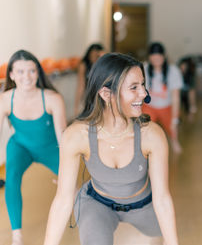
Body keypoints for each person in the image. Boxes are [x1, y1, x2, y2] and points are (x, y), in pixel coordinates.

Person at [44, 53, 179, 245]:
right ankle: (79, 195)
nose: (144, 94)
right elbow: (61, 202)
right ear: (106, 94)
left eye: (142, 84)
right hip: (97, 204)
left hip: (143, 206)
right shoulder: (76, 135)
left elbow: (163, 199)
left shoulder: (151, 135)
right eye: (134, 87)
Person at [0, 50, 67, 245]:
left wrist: (68, 171)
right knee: (11, 177)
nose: (26, 77)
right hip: (21, 147)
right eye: (20, 72)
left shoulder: (53, 97)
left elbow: (62, 137)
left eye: (31, 71)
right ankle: (17, 236)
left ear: (38, 72)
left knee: (74, 185)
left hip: (50, 148)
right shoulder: (5, 99)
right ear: (11, 75)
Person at [142, 42, 183, 154]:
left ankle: (174, 141)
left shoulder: (173, 70)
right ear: (149, 57)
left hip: (167, 106)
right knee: (144, 129)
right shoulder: (144, 69)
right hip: (149, 106)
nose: (156, 59)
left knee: (172, 129)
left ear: (164, 56)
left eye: (159, 56)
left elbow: (176, 98)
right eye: (153, 56)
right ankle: (145, 147)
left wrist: (175, 120)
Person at [74, 43, 105, 116]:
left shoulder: (102, 65)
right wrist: (76, 105)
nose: (94, 58)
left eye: (96, 55)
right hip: (88, 95)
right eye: (92, 55)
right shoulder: (84, 65)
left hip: (101, 94)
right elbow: (81, 85)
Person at [178, 56, 197, 121]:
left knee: (189, 102)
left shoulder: (190, 77)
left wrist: (192, 107)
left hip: (186, 96)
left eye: (185, 66)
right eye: (181, 66)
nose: (183, 68)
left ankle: (189, 113)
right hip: (178, 96)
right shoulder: (176, 75)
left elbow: (192, 92)